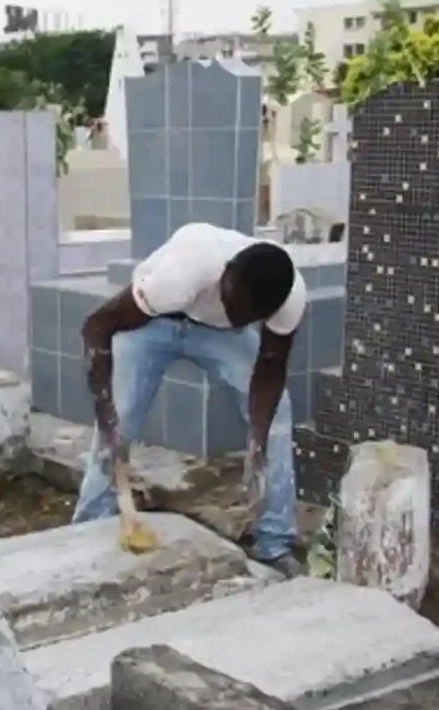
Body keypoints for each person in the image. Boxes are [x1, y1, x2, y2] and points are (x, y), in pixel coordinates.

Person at [76, 221, 306, 577]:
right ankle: (92, 523)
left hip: (217, 337)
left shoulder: (287, 295)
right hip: (155, 320)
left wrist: (258, 440)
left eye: (249, 318)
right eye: (233, 307)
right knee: (119, 422)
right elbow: (96, 326)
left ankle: (273, 542)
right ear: (223, 277)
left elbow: (271, 367)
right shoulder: (182, 272)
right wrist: (106, 410)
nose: (236, 318)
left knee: (276, 418)